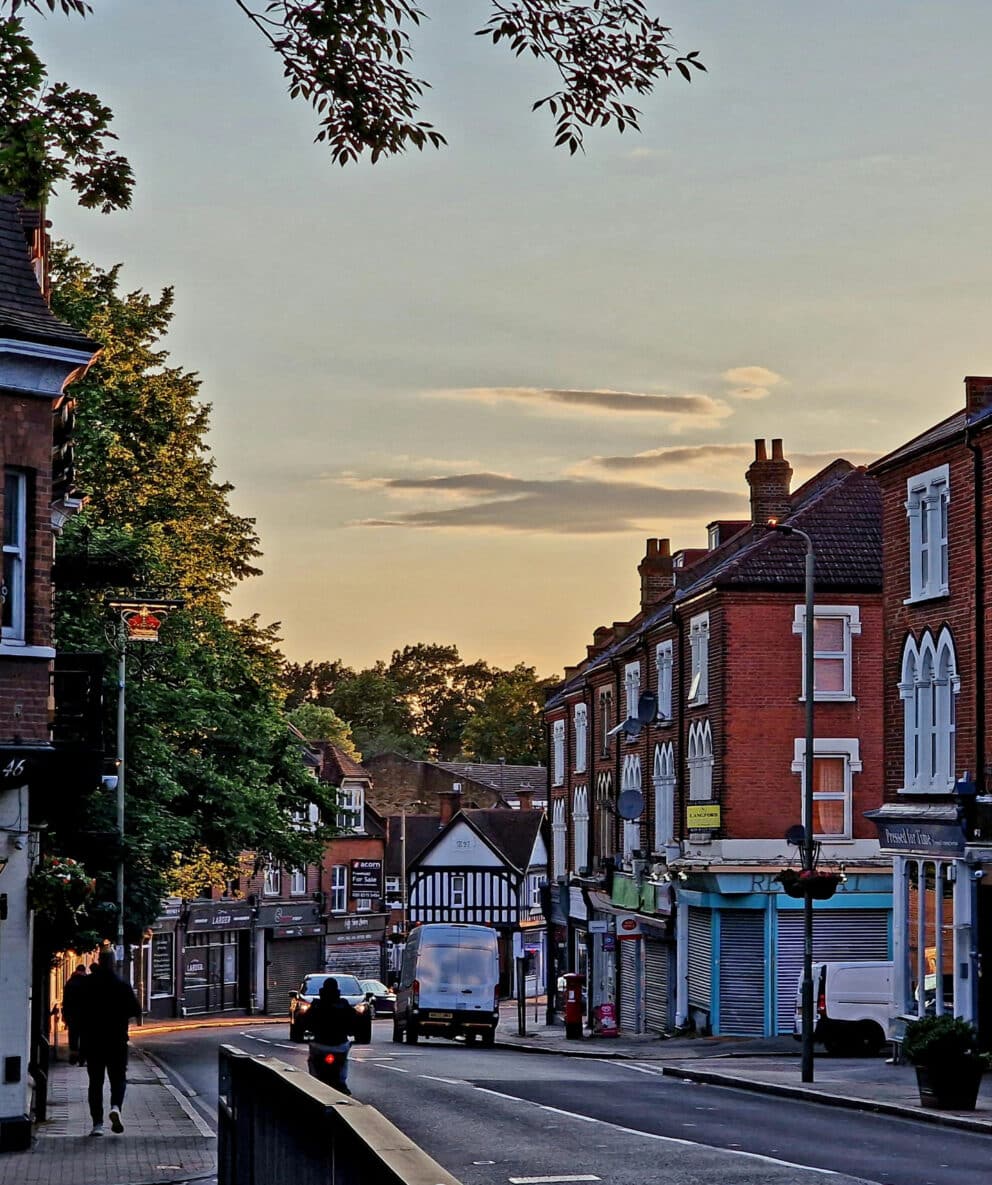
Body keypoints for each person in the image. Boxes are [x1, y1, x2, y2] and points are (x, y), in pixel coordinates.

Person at [77, 948, 141, 1136]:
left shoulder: (88, 984)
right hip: (117, 1040)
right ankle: (115, 1107)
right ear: (113, 962)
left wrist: (76, 1045)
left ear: (99, 960)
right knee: (118, 1079)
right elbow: (135, 1009)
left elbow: (79, 1015)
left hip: (93, 1041)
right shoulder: (122, 984)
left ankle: (97, 1125)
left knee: (95, 1083)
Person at [305, 978, 360, 1096]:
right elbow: (355, 1020)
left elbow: (306, 1021)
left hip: (319, 1045)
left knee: (312, 1060)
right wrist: (352, 1031)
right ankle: (341, 1082)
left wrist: (309, 1030)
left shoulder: (316, 1005)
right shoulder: (344, 1004)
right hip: (340, 1045)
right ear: (337, 989)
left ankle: (314, 1081)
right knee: (344, 1060)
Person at [61, 964, 89, 1066]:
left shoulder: (70, 983)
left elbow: (66, 1000)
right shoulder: (87, 982)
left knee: (73, 1037)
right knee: (84, 1038)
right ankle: (82, 1059)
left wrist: (65, 1014)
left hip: (72, 1015)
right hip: (85, 1015)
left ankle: (73, 1057)